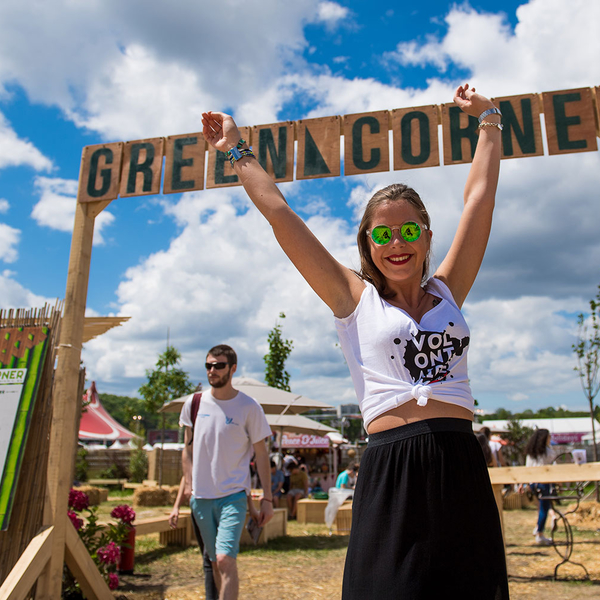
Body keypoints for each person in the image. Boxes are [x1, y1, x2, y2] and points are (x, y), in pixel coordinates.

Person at [201, 84, 508, 598]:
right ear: (367, 243)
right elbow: (281, 215)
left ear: (428, 237)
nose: (396, 244)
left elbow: (480, 198)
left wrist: (491, 119)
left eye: (409, 232)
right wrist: (237, 149)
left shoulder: (449, 290)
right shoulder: (353, 299)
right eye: (381, 235)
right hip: (393, 469)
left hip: (461, 465)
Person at [180, 344, 274, 600]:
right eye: (208, 365)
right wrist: (188, 483)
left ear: (232, 368)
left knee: (224, 559)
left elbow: (262, 454)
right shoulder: (194, 403)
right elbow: (187, 449)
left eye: (219, 365)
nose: (212, 370)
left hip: (233, 495)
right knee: (213, 562)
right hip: (200, 497)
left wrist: (267, 498)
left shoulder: (248, 406)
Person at [524, 428, 556, 545]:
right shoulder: (547, 451)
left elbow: (527, 468)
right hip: (543, 482)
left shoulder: (531, 452)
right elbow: (553, 463)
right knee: (544, 508)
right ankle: (539, 533)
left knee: (540, 507)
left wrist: (526, 482)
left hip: (533, 482)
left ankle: (538, 528)